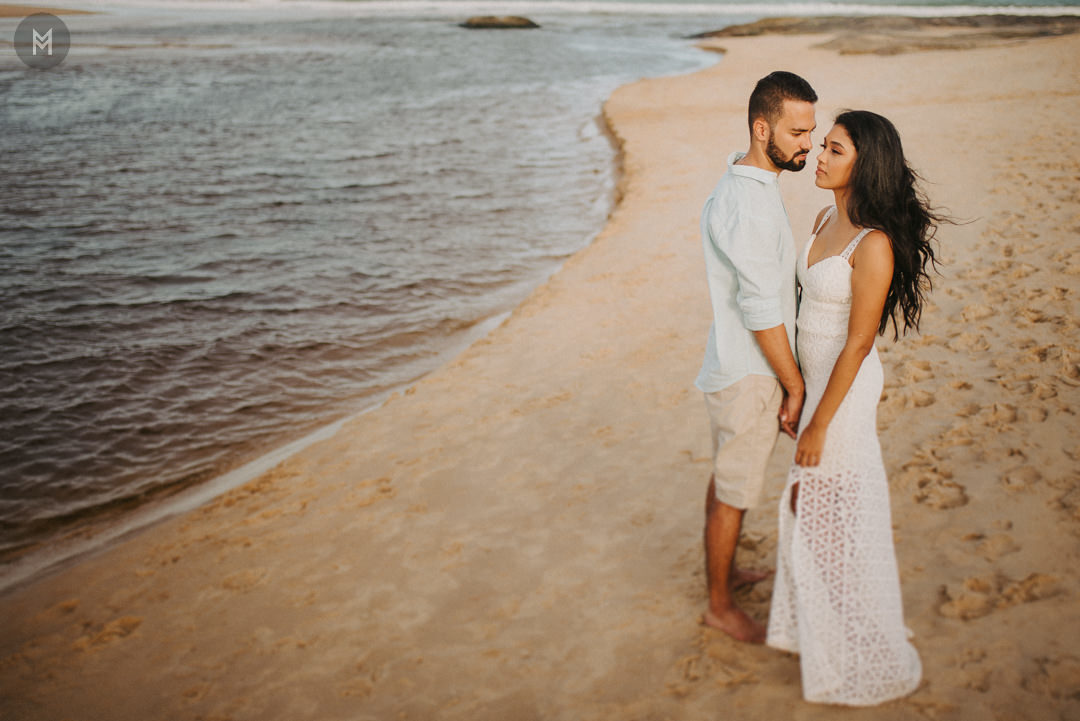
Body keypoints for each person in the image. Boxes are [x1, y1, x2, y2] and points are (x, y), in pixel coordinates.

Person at [766, 110, 944, 704]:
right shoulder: (820, 218)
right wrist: (793, 390)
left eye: (834, 149)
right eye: (822, 146)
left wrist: (818, 421)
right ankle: (835, 626)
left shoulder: (874, 245)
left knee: (824, 512)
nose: (817, 154)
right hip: (814, 387)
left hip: (844, 392)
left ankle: (861, 641)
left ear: (862, 165)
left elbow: (859, 342)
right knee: (812, 511)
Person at [695, 71, 817, 644]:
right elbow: (762, 310)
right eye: (797, 131)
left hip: (736, 361)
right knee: (736, 493)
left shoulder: (750, 183)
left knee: (727, 480)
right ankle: (719, 605)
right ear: (761, 127)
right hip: (751, 371)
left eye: (812, 131)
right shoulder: (748, 204)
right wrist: (793, 385)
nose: (808, 144)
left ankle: (727, 572)